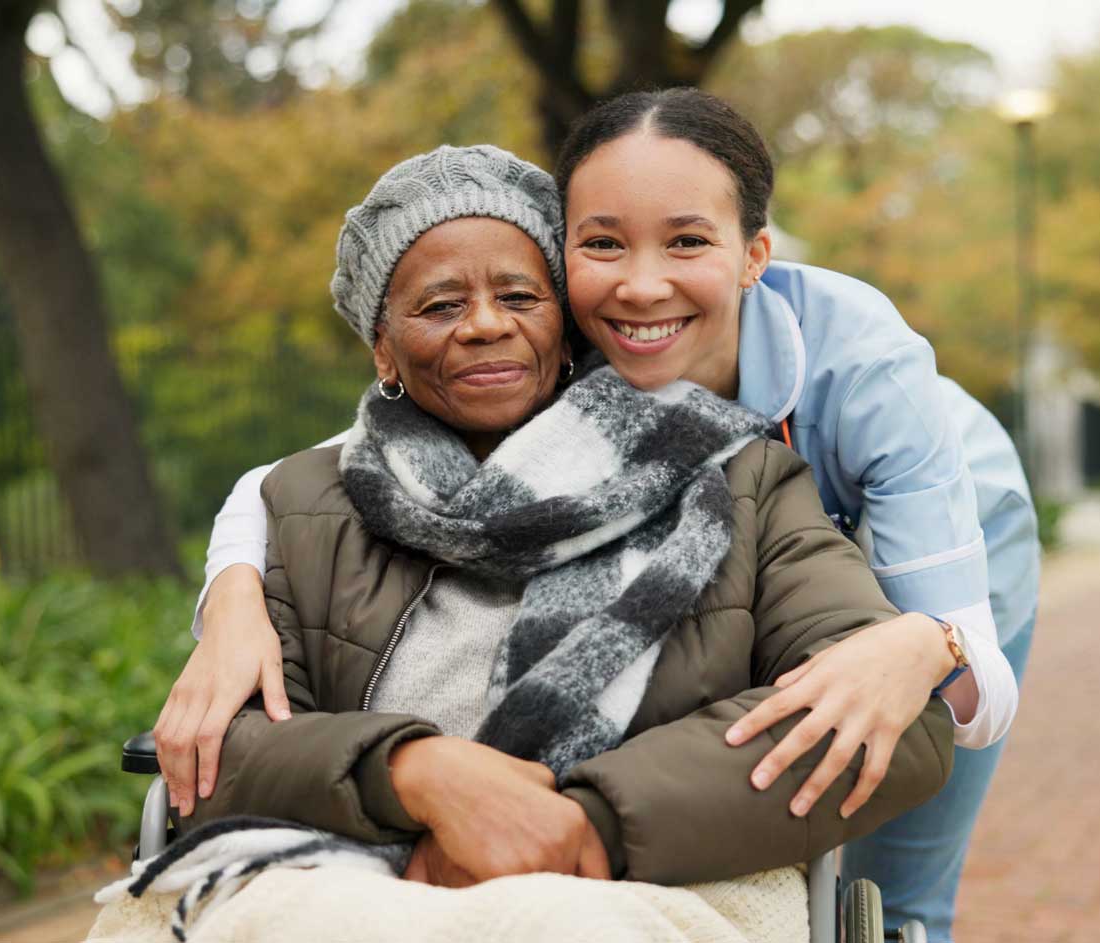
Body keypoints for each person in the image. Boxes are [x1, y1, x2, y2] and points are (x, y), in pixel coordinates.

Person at [159, 90, 1039, 938]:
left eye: (517, 297)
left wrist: (933, 641)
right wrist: (408, 762)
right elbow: (292, 487)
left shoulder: (801, 435)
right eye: (606, 246)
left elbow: (953, 702)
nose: (483, 327)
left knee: (906, 892)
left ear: (753, 254)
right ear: (381, 345)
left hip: (962, 529)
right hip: (367, 876)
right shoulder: (332, 489)